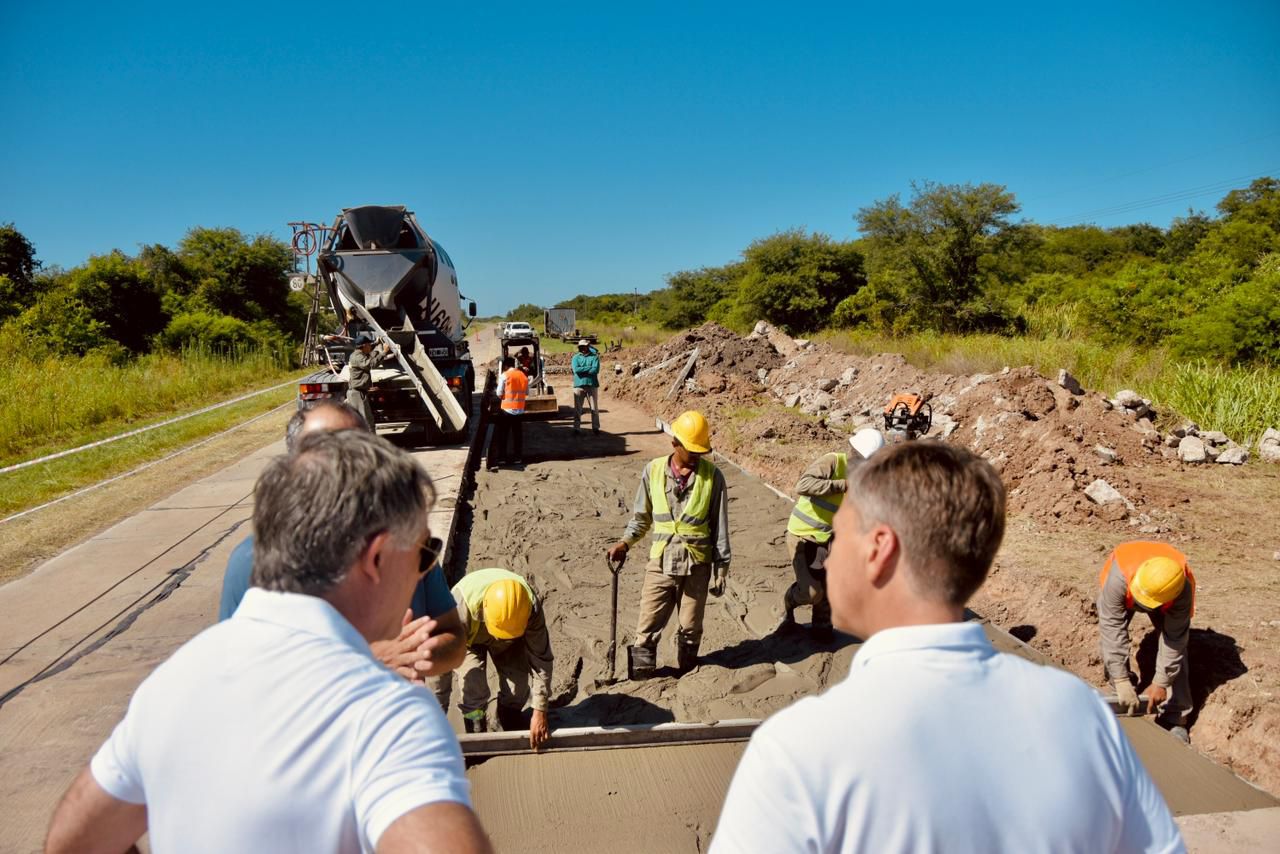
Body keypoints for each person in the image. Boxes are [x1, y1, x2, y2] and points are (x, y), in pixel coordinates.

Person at [711, 441, 1181, 853]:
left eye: (842, 533)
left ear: (879, 550)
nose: (829, 553)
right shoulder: (1083, 716)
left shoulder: (797, 752)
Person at [46, 431, 492, 854]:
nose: (423, 569)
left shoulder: (168, 684)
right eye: (422, 554)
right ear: (375, 558)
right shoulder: (383, 712)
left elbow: (73, 842)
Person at [218, 401, 465, 683]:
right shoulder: (251, 561)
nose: (349, 469)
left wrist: (414, 656)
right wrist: (366, 663)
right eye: (330, 456)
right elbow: (236, 674)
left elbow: (453, 636)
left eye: (360, 451)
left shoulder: (406, 545)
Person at [606, 410, 730, 677]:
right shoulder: (653, 471)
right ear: (675, 443)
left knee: (690, 626)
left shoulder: (713, 477)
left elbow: (720, 526)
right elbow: (641, 517)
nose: (697, 455)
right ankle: (641, 677)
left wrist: (721, 569)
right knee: (648, 623)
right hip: (661, 561)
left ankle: (687, 672)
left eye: (701, 450)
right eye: (691, 449)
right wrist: (625, 543)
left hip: (698, 564)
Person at [433, 568, 554, 750]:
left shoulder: (529, 608)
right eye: (500, 635)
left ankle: (508, 722)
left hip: (512, 639)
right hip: (467, 641)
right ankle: (477, 736)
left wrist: (540, 710)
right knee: (474, 688)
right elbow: (440, 670)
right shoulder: (456, 612)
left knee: (517, 688)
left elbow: (541, 660)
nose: (500, 639)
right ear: (485, 610)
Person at [783, 426, 885, 641]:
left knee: (830, 586)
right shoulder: (833, 462)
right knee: (811, 592)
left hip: (829, 540)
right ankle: (788, 605)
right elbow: (803, 485)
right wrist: (843, 485)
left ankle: (821, 627)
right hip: (803, 535)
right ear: (854, 453)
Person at [1099, 541, 1196, 743]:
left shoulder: (1181, 590)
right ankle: (1121, 694)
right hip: (1125, 582)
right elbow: (1112, 629)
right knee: (1112, 640)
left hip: (1164, 595)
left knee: (1179, 648)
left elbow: (1174, 639)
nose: (1139, 606)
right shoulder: (1118, 579)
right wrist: (1121, 680)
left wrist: (1161, 682)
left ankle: (1175, 716)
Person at [487, 356, 527, 471]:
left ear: (505, 366)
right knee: (517, 435)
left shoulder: (504, 375)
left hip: (507, 410)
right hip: (519, 410)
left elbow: (499, 393)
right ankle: (518, 458)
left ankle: (502, 458)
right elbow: (527, 391)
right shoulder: (522, 375)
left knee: (504, 434)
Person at [346, 331, 385, 428]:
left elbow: (369, 355)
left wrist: (376, 344)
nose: (370, 347)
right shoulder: (358, 357)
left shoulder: (357, 354)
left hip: (358, 392)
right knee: (367, 423)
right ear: (364, 346)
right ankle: (370, 442)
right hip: (357, 394)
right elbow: (370, 364)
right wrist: (384, 352)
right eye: (369, 345)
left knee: (360, 422)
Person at [571, 338, 601, 435]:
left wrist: (582, 370)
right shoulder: (575, 358)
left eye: (585, 346)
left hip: (592, 385)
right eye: (581, 347)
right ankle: (577, 428)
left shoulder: (595, 357)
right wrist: (589, 368)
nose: (583, 348)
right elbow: (576, 370)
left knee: (594, 408)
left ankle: (595, 428)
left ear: (588, 347)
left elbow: (595, 370)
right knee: (577, 409)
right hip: (579, 385)